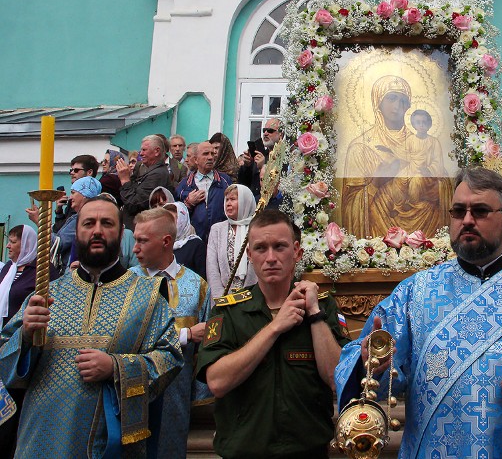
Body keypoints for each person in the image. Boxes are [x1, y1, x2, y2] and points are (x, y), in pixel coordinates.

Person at [335, 167, 502, 458]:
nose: (467, 220)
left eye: (479, 211)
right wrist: (372, 365)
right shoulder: (414, 293)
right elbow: (363, 364)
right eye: (458, 211)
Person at [0, 196, 182, 457]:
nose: (97, 230)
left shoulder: (149, 295)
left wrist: (115, 367)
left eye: (106, 223)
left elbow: (171, 358)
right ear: (77, 232)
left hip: (109, 443)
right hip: (39, 439)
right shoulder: (46, 293)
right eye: (89, 223)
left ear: (121, 234)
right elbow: (4, 362)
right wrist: (25, 336)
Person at [196, 209, 350, 458]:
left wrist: (314, 314)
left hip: (307, 451)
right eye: (260, 248)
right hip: (244, 451)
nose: (270, 258)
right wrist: (275, 326)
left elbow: (335, 378)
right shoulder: (228, 312)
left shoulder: (323, 307)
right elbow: (217, 382)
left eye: (279, 247)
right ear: (249, 254)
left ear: (297, 252)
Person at [130, 207, 211, 457]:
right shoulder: (126, 284)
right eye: (135, 240)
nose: (135, 248)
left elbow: (207, 338)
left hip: (177, 394)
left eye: (142, 240)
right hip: (134, 390)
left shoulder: (196, 285)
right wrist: (185, 335)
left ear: (166, 242)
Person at [341, 75, 453, 238]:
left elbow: (445, 185)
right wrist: (376, 183)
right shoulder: (362, 147)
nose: (397, 106)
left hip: (426, 232)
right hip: (378, 239)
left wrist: (433, 186)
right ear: (378, 102)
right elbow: (350, 207)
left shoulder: (425, 141)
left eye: (403, 101)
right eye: (391, 98)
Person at [0, 225, 57, 458]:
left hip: (25, 347)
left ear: (27, 244)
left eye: (13, 241)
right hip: (4, 343)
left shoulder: (44, 272)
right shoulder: (8, 270)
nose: (8, 246)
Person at [27, 176, 103, 275]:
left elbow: (58, 244)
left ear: (84, 195)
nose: (70, 197)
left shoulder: (83, 218)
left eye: (73, 193)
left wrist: (40, 222)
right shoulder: (77, 217)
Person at [206, 184, 258, 298]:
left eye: (233, 199)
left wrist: (252, 295)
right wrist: (219, 298)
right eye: (227, 200)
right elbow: (212, 268)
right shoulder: (217, 229)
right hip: (224, 298)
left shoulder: (257, 228)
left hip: (254, 297)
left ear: (246, 202)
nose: (228, 203)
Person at [176, 141, 233, 241]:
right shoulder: (184, 185)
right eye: (206, 154)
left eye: (213, 154)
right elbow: (177, 217)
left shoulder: (225, 181)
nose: (211, 157)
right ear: (196, 160)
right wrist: (188, 203)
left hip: (220, 238)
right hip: (194, 240)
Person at [118, 135, 173, 230]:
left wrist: (125, 180)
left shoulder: (157, 175)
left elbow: (134, 204)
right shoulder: (151, 171)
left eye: (144, 150)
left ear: (157, 151)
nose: (141, 153)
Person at [53, 154, 100, 233]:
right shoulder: (73, 200)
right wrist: (59, 211)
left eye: (76, 170)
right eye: (71, 170)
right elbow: (60, 230)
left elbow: (63, 239)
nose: (72, 173)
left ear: (89, 172)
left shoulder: (93, 199)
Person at [238, 118, 280, 202]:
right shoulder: (260, 154)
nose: (265, 133)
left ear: (280, 134)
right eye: (264, 130)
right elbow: (243, 184)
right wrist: (247, 166)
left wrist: (263, 167)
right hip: (254, 202)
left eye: (270, 131)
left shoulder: (285, 157)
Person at [166, 201, 207, 279]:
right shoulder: (161, 246)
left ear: (182, 220)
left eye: (172, 220)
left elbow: (203, 278)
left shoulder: (195, 244)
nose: (168, 224)